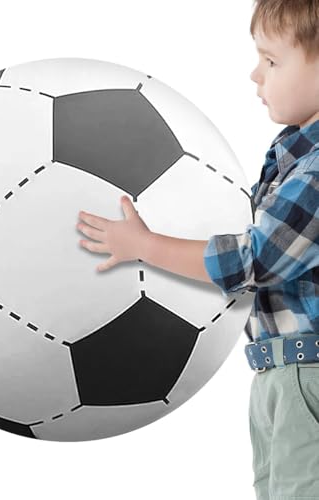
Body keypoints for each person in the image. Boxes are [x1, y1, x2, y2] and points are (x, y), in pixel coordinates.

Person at [76, 0, 319, 498]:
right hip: (279, 373)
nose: (256, 74)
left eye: (272, 61)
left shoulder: (316, 171)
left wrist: (147, 247)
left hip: (307, 376)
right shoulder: (292, 159)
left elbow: (256, 260)